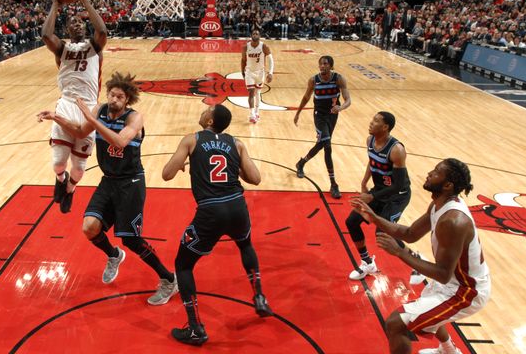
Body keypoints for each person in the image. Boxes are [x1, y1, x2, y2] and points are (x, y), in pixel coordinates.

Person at [37, 72, 178, 305]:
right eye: (111, 95)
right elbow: (81, 131)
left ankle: (169, 279)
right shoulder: (100, 111)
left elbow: (120, 142)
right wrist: (56, 117)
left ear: (127, 100)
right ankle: (114, 255)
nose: (113, 100)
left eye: (119, 97)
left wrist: (92, 121)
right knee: (89, 227)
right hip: (109, 180)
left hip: (131, 182)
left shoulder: (135, 118)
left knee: (132, 240)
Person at [350, 159, 490, 354]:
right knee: (429, 305)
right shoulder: (439, 205)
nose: (430, 173)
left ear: (448, 185)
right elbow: (410, 234)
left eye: (436, 172)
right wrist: (373, 217)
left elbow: (442, 273)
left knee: (396, 324)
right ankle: (449, 350)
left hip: (467, 291)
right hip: (454, 281)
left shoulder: (453, 221)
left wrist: (399, 252)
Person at [162, 104, 273, 346]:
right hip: (237, 207)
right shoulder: (237, 143)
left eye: (206, 110)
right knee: (245, 245)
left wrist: (182, 162)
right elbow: (255, 178)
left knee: (182, 265)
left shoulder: (191, 140)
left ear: (210, 121)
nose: (202, 111)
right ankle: (260, 297)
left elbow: (166, 174)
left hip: (210, 212)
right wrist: (236, 168)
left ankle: (195, 328)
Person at [41, 0, 108, 213]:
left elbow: (102, 30)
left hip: (88, 108)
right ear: (67, 30)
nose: (77, 25)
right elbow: (46, 35)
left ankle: (70, 188)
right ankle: (61, 180)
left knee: (79, 169)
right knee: (58, 163)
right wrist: (55, 5)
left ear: (85, 26)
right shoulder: (62, 49)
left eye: (80, 22)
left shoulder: (94, 48)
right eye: (72, 23)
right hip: (67, 103)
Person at [345, 112, 424, 284]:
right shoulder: (370, 140)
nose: (371, 123)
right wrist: (364, 182)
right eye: (372, 119)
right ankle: (367, 263)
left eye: (376, 121)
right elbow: (372, 161)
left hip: (398, 196)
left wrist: (371, 197)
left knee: (383, 232)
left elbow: (397, 186)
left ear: (385, 127)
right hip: (380, 191)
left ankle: (417, 260)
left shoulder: (396, 150)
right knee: (351, 222)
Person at [293, 55, 351, 199]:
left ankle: (301, 162)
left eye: (325, 64)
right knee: (327, 145)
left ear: (331, 66)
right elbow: (306, 97)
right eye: (321, 64)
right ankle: (333, 184)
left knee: (322, 144)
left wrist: (341, 107)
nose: (322, 66)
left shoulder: (339, 79)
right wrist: (298, 112)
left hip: (333, 115)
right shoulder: (313, 80)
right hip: (319, 115)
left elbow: (348, 99)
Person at [241, 29, 273, 123]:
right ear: (251, 35)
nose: (255, 35)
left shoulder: (264, 46)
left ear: (259, 36)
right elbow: (243, 60)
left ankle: (257, 112)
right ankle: (251, 114)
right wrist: (242, 71)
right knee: (251, 92)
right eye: (253, 33)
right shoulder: (245, 47)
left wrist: (270, 73)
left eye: (257, 34)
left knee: (258, 92)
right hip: (249, 72)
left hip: (260, 72)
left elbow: (271, 60)